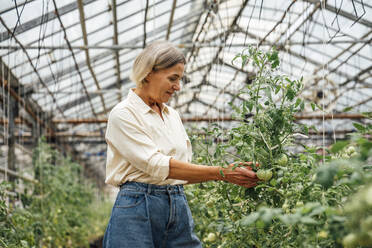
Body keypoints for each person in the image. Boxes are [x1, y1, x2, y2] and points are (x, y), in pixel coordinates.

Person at [102, 40, 258, 248]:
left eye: (180, 79)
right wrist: (223, 173)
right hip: (138, 205)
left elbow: (180, 169)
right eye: (173, 78)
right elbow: (158, 165)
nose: (178, 87)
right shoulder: (124, 114)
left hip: (177, 202)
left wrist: (229, 172)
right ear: (148, 73)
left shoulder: (171, 115)